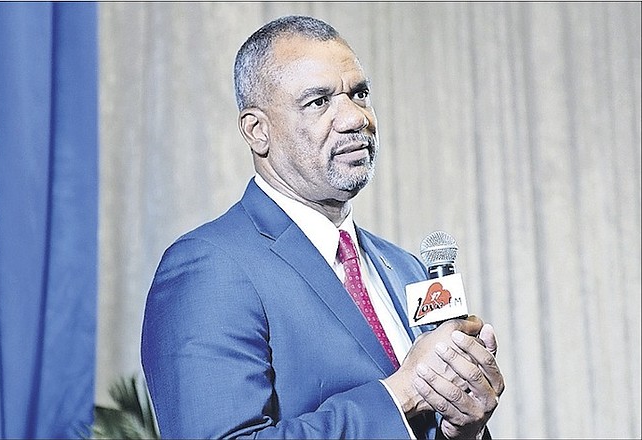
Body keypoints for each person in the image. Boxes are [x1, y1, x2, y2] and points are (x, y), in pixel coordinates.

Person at [141, 15, 504, 439]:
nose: (355, 118)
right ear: (258, 131)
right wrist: (402, 393)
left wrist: (460, 429)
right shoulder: (209, 266)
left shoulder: (404, 268)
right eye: (319, 101)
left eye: (359, 94)